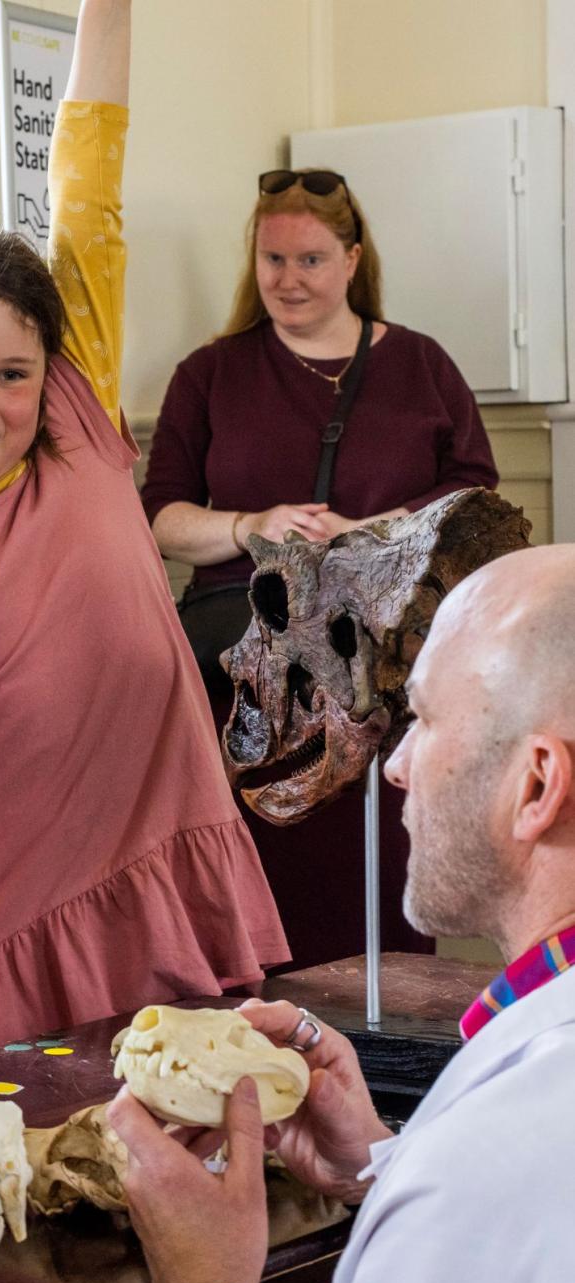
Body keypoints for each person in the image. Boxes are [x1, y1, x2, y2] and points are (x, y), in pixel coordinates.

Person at [0, 0, 289, 1060]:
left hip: (164, 846)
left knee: (194, 1119)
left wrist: (107, 9)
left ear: (53, 372)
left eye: (10, 374)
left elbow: (86, 177)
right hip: (10, 902)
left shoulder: (78, 419)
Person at [109, 543, 575, 1283]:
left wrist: (207, 1275)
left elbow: (492, 1199)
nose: (395, 764)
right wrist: (380, 1163)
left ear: (537, 785)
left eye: (422, 716)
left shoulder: (494, 1169)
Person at [140, 170, 499, 971]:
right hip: (247, 676)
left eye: (309, 259)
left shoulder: (421, 364)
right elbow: (160, 513)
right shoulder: (212, 373)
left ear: (351, 259)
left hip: (381, 666)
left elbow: (473, 494)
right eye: (273, 259)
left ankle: (387, 1050)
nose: (288, 279)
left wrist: (370, 532)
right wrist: (251, 525)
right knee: (263, 880)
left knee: (376, 875)